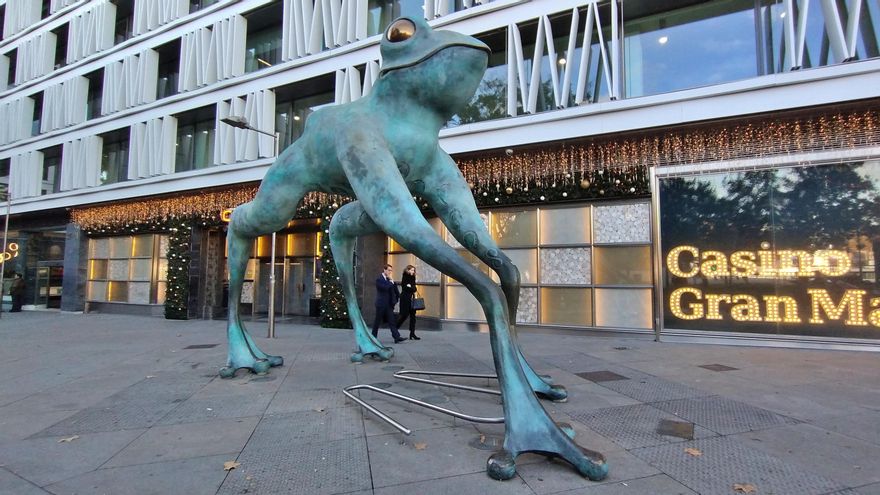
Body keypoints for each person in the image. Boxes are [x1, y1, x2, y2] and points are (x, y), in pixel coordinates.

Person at [372, 264, 406, 344]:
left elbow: (395, 290)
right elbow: (385, 288)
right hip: (381, 304)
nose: (390, 272)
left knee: (392, 321)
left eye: (391, 270)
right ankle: (373, 337)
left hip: (389, 305)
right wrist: (391, 282)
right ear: (384, 270)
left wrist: (397, 298)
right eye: (389, 270)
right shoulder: (379, 279)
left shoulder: (389, 280)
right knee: (377, 321)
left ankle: (396, 337)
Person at [396, 265, 420, 340]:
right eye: (412, 270)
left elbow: (414, 288)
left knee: (413, 317)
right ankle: (395, 330)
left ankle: (412, 333)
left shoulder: (413, 277)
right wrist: (411, 288)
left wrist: (411, 287)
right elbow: (405, 287)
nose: (413, 271)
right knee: (404, 315)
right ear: (408, 270)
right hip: (405, 298)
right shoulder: (405, 276)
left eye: (414, 270)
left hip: (411, 299)